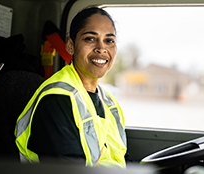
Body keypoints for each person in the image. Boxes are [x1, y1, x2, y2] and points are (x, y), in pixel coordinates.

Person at [15, 7, 127, 168]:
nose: (101, 48)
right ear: (70, 45)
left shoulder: (109, 103)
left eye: (109, 41)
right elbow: (69, 169)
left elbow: (122, 158)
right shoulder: (57, 99)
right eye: (90, 38)